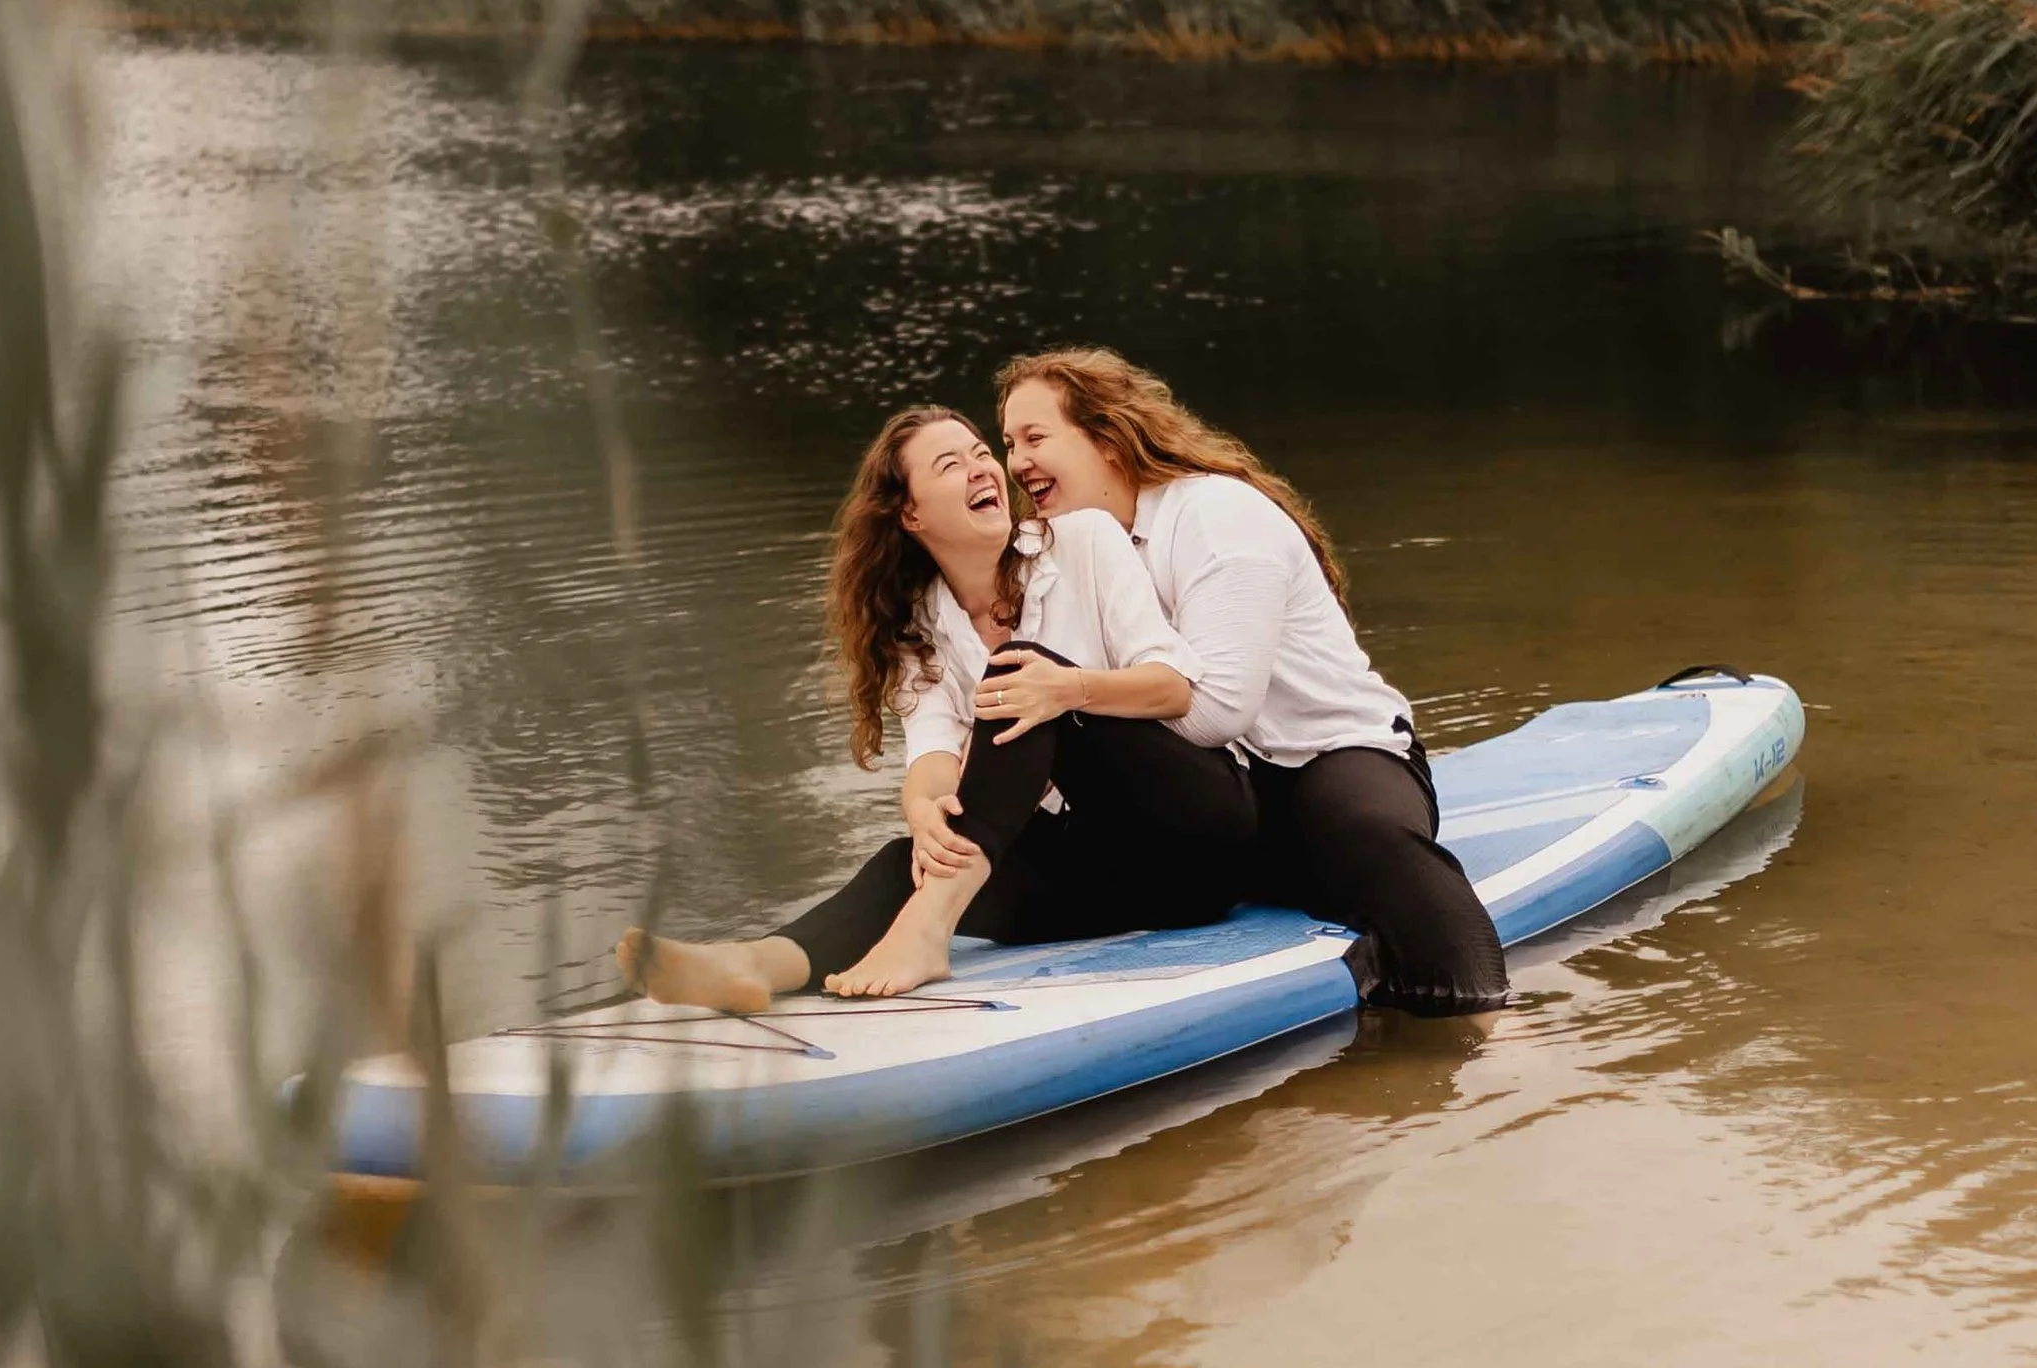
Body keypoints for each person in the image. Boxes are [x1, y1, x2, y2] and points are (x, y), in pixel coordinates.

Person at [621, 402, 1257, 1014]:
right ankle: (756, 965)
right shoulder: (916, 623)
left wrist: (1069, 689)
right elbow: (932, 753)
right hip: (1107, 882)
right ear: (910, 514)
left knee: (1024, 677)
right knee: (908, 860)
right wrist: (924, 811)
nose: (984, 469)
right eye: (951, 465)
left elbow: (1173, 686)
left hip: (1198, 840)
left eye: (982, 454)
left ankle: (926, 933)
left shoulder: (1084, 540)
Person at [996, 347, 1507, 1016]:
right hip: (1226, 792)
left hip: (1331, 752)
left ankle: (1484, 1022)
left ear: (1108, 439)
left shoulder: (1214, 515)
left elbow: (1216, 711)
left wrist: (1078, 692)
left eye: (1035, 438)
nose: (1016, 462)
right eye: (1009, 443)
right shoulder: (1066, 551)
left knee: (1360, 833)